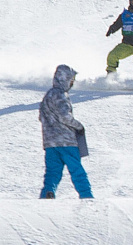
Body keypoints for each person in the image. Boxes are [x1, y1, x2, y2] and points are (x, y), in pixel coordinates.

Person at [38, 65, 93, 199]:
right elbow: (65, 116)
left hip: (50, 143)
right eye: (71, 79)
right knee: (76, 170)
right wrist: (79, 126)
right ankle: (86, 196)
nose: (72, 83)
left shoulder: (47, 96)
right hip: (66, 141)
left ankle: (47, 194)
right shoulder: (60, 95)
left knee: (52, 173)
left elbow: (41, 117)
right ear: (65, 79)